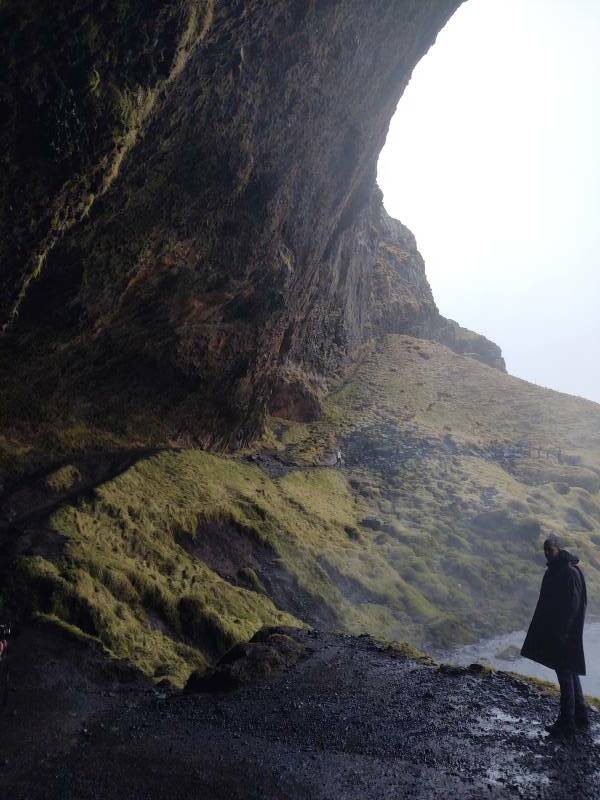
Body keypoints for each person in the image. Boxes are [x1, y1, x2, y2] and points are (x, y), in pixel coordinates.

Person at [521, 533, 589, 738]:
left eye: (550, 550)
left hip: (565, 634)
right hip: (561, 632)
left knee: (565, 674)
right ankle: (581, 716)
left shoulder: (568, 573)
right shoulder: (557, 570)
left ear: (558, 549)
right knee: (571, 671)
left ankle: (567, 722)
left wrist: (563, 633)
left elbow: (573, 606)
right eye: (546, 551)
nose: (548, 554)